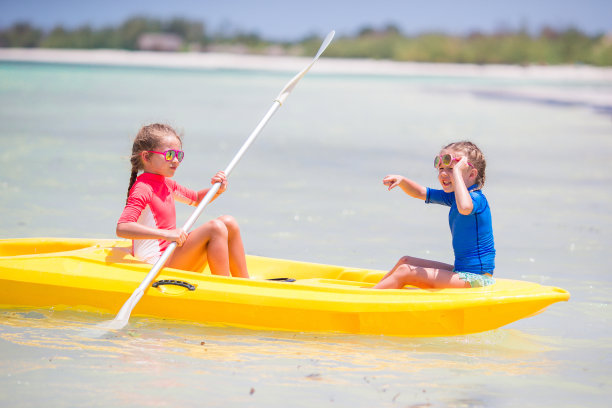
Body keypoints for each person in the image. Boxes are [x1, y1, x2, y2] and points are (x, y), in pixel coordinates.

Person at [116, 123, 249, 278]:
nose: (176, 161)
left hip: (171, 252)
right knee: (215, 227)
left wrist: (217, 190)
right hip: (155, 263)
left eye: (179, 155)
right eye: (170, 155)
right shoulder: (143, 188)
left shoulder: (166, 184)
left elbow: (197, 199)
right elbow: (123, 227)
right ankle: (224, 287)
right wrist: (166, 234)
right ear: (146, 156)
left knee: (228, 222)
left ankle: (245, 282)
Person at [373, 141, 495, 289]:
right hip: (462, 273)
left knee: (406, 272)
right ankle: (377, 292)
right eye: (441, 168)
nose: (443, 173)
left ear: (472, 174)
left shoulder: (477, 199)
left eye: (451, 168)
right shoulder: (455, 197)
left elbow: (464, 207)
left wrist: (456, 173)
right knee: (405, 261)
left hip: (477, 279)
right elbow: (421, 192)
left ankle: (365, 302)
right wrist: (402, 181)